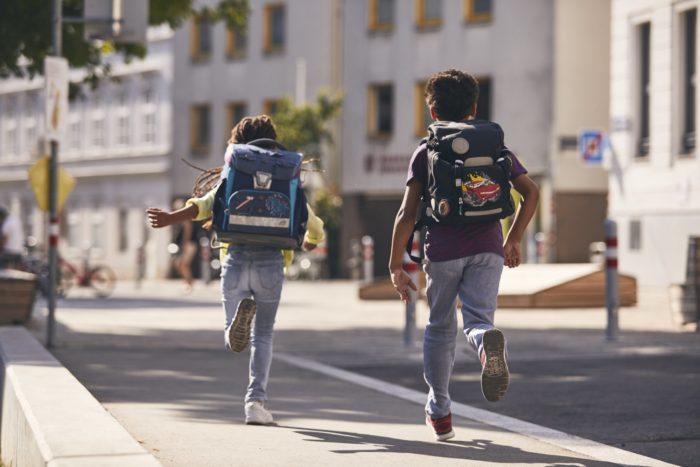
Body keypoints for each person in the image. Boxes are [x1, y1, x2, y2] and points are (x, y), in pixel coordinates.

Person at [388, 69, 539, 441]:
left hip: (443, 250)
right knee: (477, 319)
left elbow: (407, 213)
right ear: (474, 108)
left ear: (432, 112)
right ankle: (486, 340)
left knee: (440, 326)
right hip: (489, 246)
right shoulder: (494, 147)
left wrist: (395, 264)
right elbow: (531, 192)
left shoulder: (427, 151)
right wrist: (514, 239)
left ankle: (439, 410)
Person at [146, 115, 325, 426]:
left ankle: (232, 332)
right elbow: (315, 226)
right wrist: (310, 243)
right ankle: (256, 403)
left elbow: (202, 205)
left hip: (236, 258)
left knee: (234, 336)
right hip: (271, 262)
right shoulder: (286, 173)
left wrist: (168, 219)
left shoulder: (236, 170)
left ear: (238, 142)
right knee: (264, 335)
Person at [171, 199, 197, 293]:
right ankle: (187, 282)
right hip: (187, 244)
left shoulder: (186, 218)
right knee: (179, 264)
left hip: (189, 244)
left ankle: (189, 284)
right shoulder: (183, 218)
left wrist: (185, 246)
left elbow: (187, 232)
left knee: (183, 264)